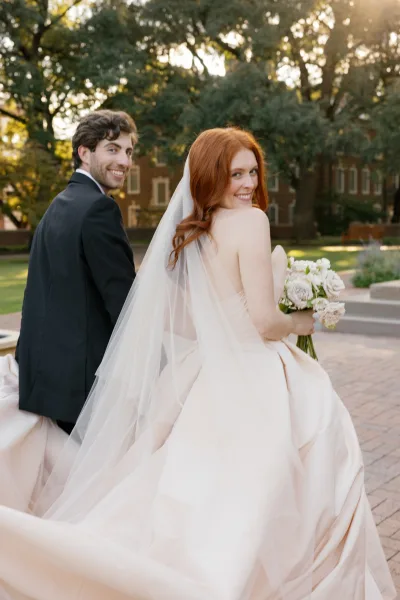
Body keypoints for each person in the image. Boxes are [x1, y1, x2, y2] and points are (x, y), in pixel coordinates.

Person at [0, 128, 396, 600]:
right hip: (255, 371)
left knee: (192, 486)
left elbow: (189, 324)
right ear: (213, 175)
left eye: (253, 172)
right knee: (281, 484)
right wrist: (307, 320)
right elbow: (266, 322)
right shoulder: (250, 222)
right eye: (236, 174)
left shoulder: (195, 231)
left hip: (204, 375)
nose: (248, 184)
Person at [15, 110, 137, 434]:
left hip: (46, 384)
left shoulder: (58, 206)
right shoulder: (99, 209)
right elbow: (126, 307)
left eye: (128, 151)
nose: (124, 161)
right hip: (83, 391)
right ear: (84, 152)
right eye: (112, 149)